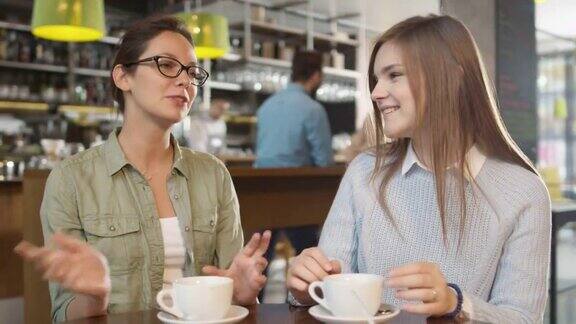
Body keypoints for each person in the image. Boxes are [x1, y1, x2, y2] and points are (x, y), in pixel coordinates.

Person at [287, 15, 550, 323]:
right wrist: (305, 286)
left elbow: (522, 318)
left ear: (451, 78)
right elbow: (324, 288)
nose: (375, 93)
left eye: (394, 75)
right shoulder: (364, 171)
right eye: (376, 79)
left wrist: (456, 303)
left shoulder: (524, 193)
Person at [14, 15, 270, 322]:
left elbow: (234, 289)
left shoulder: (214, 174)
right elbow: (64, 313)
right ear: (123, 77)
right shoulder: (71, 180)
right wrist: (95, 295)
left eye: (192, 71)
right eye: (167, 64)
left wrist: (242, 294)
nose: (185, 80)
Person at [255, 50, 333, 168]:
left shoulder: (266, 106)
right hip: (297, 182)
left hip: (259, 181)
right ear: (316, 75)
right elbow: (325, 162)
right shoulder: (314, 110)